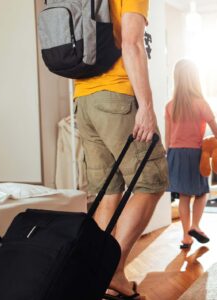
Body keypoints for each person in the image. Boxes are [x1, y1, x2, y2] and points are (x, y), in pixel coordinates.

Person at [74, 1, 168, 298]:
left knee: (107, 192)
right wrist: (147, 107)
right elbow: (132, 43)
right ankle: (110, 270)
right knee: (152, 180)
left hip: (84, 99)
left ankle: (101, 280)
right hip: (117, 95)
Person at [165, 59, 217, 250]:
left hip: (175, 154)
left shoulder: (170, 106)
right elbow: (216, 130)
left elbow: (167, 139)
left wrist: (170, 160)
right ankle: (195, 225)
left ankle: (186, 238)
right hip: (195, 154)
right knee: (201, 193)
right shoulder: (201, 104)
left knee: (184, 196)